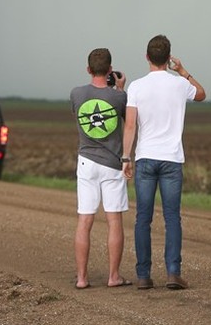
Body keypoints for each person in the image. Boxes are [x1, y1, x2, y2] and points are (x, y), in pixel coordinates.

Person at [122, 34, 206, 290]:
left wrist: (126, 157)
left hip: (146, 158)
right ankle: (172, 273)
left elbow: (130, 125)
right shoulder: (180, 85)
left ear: (147, 57)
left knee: (142, 219)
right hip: (171, 159)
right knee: (172, 218)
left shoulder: (135, 87)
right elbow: (202, 94)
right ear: (167, 58)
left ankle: (144, 275)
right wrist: (182, 70)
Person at [70, 47, 132, 289]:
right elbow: (127, 121)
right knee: (113, 220)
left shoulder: (76, 93)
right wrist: (119, 89)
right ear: (109, 70)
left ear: (88, 69)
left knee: (84, 221)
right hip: (112, 164)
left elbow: (78, 116)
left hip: (86, 162)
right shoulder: (119, 97)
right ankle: (113, 276)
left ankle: (82, 278)